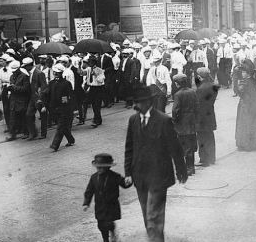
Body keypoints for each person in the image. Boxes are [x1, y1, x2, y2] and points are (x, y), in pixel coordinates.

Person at [124, 85, 187, 242]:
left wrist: (181, 170)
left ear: (147, 103)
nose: (135, 105)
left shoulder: (163, 120)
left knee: (154, 216)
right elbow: (129, 148)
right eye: (135, 102)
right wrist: (127, 173)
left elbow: (175, 147)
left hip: (159, 176)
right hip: (139, 175)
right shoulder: (133, 121)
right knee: (147, 214)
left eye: (138, 102)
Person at [83, 153, 132, 242]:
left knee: (109, 223)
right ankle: (105, 239)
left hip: (111, 205)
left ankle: (112, 231)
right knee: (101, 225)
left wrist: (128, 182)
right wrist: (86, 203)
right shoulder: (94, 177)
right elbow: (89, 191)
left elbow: (124, 184)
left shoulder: (115, 176)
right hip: (99, 206)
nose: (99, 169)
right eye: (98, 167)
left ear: (108, 167)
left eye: (102, 167)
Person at [171, 73, 198, 176]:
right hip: (191, 122)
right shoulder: (192, 92)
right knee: (191, 145)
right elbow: (197, 106)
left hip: (182, 124)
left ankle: (188, 169)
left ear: (178, 84)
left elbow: (175, 110)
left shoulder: (178, 95)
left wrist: (174, 121)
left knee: (185, 146)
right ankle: (191, 167)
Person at [194, 67, 219, 167]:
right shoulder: (213, 85)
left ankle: (204, 159)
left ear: (200, 77)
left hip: (201, 116)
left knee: (202, 138)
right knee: (210, 137)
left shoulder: (200, 89)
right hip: (210, 114)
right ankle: (211, 158)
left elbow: (198, 104)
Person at [48, 63, 75, 151]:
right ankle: (71, 139)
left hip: (64, 108)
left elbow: (68, 96)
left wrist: (67, 106)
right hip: (54, 108)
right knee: (63, 127)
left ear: (61, 73)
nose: (55, 74)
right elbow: (48, 94)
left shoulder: (66, 83)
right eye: (54, 72)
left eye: (57, 72)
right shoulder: (51, 83)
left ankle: (55, 145)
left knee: (60, 127)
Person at [6, 59, 31, 141]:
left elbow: (26, 89)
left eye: (15, 70)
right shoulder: (11, 76)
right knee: (12, 118)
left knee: (23, 118)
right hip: (13, 100)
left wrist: (14, 87)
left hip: (21, 100)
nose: (13, 72)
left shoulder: (24, 76)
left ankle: (26, 132)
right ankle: (12, 134)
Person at [25, 57, 47, 141]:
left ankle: (43, 133)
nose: (25, 68)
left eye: (26, 66)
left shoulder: (39, 73)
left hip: (39, 98)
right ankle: (33, 133)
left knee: (43, 116)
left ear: (29, 66)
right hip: (32, 98)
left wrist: (41, 98)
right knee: (28, 114)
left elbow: (44, 86)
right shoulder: (30, 73)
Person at [81, 55, 105, 127]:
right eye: (89, 62)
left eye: (91, 62)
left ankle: (97, 121)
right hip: (91, 88)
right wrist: (80, 67)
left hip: (98, 88)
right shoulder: (88, 69)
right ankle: (85, 116)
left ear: (94, 63)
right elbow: (82, 73)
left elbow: (101, 80)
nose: (90, 63)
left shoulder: (99, 70)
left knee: (96, 105)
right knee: (87, 102)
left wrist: (95, 74)